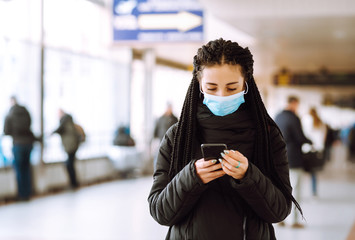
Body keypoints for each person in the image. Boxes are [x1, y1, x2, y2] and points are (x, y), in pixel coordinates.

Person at [148, 38, 301, 239]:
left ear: (245, 84)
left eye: (231, 88)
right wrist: (192, 177)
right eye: (211, 88)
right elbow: (160, 212)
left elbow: (279, 210)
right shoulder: (178, 136)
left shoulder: (267, 135)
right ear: (199, 85)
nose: (221, 96)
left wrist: (248, 176)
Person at [274, 95, 312, 228]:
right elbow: (300, 137)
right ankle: (294, 221)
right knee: (296, 188)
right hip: (294, 158)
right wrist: (310, 142)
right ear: (294, 103)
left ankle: (280, 218)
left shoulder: (277, 116)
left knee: (281, 188)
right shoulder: (294, 118)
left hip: (279, 157)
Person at [3, 96, 37, 201]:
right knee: (26, 168)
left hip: (18, 144)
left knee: (19, 169)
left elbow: (6, 131)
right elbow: (30, 124)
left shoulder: (10, 114)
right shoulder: (26, 112)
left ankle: (22, 194)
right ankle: (28, 193)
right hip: (29, 143)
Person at [302, 107, 327, 198]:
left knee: (301, 172)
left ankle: (299, 192)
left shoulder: (305, 121)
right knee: (313, 173)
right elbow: (323, 137)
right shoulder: (321, 123)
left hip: (306, 149)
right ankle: (314, 193)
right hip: (316, 150)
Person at [52, 109, 80, 189]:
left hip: (71, 145)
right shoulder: (69, 120)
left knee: (69, 164)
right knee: (70, 164)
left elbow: (59, 129)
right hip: (72, 145)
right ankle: (73, 183)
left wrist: (51, 133)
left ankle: (73, 184)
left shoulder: (64, 120)